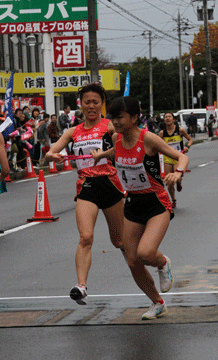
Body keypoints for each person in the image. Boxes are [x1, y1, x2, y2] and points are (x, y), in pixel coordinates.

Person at [91, 97, 189, 320]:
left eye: (120, 116)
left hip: (156, 203)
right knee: (132, 260)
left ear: (134, 118)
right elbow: (115, 153)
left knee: (145, 253)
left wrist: (178, 172)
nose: (115, 121)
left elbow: (181, 156)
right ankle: (157, 303)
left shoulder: (149, 139)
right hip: (133, 203)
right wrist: (100, 156)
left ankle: (163, 263)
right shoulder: (116, 139)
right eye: (113, 117)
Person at [45, 83, 125, 306]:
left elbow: (122, 144)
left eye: (96, 102)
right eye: (87, 102)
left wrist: (109, 150)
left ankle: (148, 266)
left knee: (120, 241)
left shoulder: (109, 126)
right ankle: (81, 287)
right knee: (85, 237)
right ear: (80, 104)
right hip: (86, 188)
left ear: (102, 104)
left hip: (110, 186)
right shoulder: (73, 132)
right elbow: (51, 151)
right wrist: (53, 156)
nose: (91, 106)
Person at [159, 112, 192, 208]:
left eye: (169, 117)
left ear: (174, 120)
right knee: (169, 182)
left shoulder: (180, 130)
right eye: (166, 117)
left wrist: (187, 147)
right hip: (167, 158)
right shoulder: (162, 133)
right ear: (164, 120)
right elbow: (156, 143)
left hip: (178, 158)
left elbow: (190, 139)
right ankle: (173, 200)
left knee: (177, 177)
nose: (167, 118)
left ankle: (179, 181)